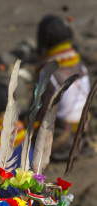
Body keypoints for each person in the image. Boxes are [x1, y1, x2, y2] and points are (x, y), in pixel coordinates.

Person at [37, 14, 91, 160]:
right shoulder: (81, 65)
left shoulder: (50, 73)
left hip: (61, 135)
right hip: (82, 130)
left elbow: (40, 112)